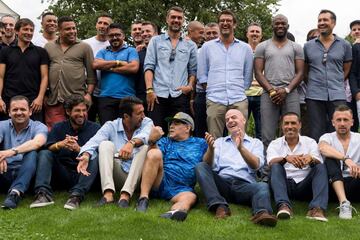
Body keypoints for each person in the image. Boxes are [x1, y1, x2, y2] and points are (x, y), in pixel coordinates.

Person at [196, 109, 277, 227]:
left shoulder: (256, 143)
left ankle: (262, 213)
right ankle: (220, 205)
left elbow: (256, 165)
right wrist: (211, 150)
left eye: (233, 117)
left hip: (244, 186)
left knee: (262, 186)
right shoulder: (220, 142)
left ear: (243, 120)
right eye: (227, 119)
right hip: (223, 184)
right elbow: (208, 165)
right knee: (201, 166)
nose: (230, 121)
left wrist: (241, 149)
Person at [78, 96, 153, 208]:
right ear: (126, 116)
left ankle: (125, 196)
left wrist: (131, 143)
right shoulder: (111, 126)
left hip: (138, 178)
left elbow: (146, 135)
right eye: (139, 113)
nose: (143, 116)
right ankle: (108, 194)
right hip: (117, 175)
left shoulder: (147, 122)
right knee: (105, 144)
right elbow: (94, 141)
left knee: (144, 147)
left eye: (143, 112)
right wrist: (86, 155)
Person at [30, 95, 100, 210]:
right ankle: (43, 194)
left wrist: (80, 149)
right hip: (62, 172)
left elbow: (99, 152)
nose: (82, 114)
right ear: (68, 111)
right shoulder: (58, 127)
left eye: (84, 110)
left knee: (94, 156)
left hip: (84, 174)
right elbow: (49, 147)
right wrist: (60, 144)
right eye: (77, 110)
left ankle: (76, 196)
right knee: (44, 153)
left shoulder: (95, 128)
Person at [135, 112, 207, 221]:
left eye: (176, 123)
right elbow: (151, 158)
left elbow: (208, 162)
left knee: (190, 197)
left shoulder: (200, 143)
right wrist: (152, 141)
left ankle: (174, 212)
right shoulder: (165, 141)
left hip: (182, 189)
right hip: (161, 182)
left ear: (188, 128)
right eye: (171, 123)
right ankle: (143, 198)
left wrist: (211, 148)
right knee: (154, 153)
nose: (171, 126)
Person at [197, 10, 253, 139]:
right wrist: (211, 91)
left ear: (235, 24)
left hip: (238, 98)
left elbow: (248, 75)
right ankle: (215, 160)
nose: (225, 23)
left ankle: (239, 160)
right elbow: (202, 74)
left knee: (240, 139)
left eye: (229, 21)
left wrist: (239, 90)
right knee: (214, 140)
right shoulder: (207, 47)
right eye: (222, 21)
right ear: (218, 24)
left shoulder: (245, 48)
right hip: (215, 98)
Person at [144, 6, 197, 133]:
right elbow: (149, 67)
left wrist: (189, 86)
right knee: (156, 133)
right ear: (167, 19)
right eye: (173, 17)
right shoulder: (155, 41)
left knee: (179, 133)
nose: (176, 20)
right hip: (157, 95)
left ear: (183, 21)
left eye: (179, 18)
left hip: (179, 95)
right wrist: (149, 90)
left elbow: (193, 70)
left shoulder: (190, 45)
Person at [254, 14, 304, 148]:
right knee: (267, 134)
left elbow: (300, 73)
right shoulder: (262, 46)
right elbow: (258, 72)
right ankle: (267, 168)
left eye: (283, 23)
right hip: (269, 93)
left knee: (293, 131)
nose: (280, 25)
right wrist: (271, 91)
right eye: (277, 23)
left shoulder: (296, 47)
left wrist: (286, 90)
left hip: (291, 93)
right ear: (272, 26)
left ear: (288, 26)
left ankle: (292, 165)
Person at [268, 112, 328, 222]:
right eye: (286, 123)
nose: (290, 127)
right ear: (282, 126)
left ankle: (317, 209)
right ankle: (284, 206)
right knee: (276, 166)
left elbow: (318, 160)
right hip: (283, 185)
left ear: (300, 125)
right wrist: (286, 158)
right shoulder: (275, 143)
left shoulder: (310, 142)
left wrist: (310, 158)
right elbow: (270, 162)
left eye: (293, 123)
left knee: (320, 167)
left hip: (304, 185)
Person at [304, 9, 352, 142]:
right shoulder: (308, 46)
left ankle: (337, 161)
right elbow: (305, 70)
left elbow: (347, 68)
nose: (322, 23)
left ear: (334, 23)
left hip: (337, 94)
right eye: (319, 20)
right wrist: (314, 83)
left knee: (338, 130)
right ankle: (317, 161)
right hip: (314, 95)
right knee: (316, 130)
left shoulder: (345, 45)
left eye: (325, 20)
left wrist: (337, 81)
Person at [44, 16, 96, 130]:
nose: (72, 31)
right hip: (54, 101)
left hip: (77, 100)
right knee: (55, 132)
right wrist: (44, 95)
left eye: (74, 28)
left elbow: (92, 75)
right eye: (68, 29)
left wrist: (88, 94)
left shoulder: (84, 47)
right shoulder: (49, 46)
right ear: (59, 30)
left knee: (78, 132)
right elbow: (44, 72)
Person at [0, 95, 47, 209]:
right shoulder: (2, 125)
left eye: (23, 109)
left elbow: (37, 142)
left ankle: (15, 194)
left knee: (32, 153)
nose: (19, 112)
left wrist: (10, 152)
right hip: (5, 172)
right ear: (9, 112)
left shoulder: (39, 126)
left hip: (28, 174)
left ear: (30, 111)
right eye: (15, 110)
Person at [0, 18, 49, 122]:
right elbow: (0, 76)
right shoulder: (5, 51)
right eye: (25, 29)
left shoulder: (41, 52)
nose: (29, 33)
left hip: (33, 102)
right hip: (8, 99)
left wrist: (40, 98)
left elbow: (45, 77)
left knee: (34, 133)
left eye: (31, 30)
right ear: (17, 31)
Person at [93, 23, 139, 125]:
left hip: (127, 98)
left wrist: (108, 68)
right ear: (107, 37)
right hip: (106, 97)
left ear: (123, 36)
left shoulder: (131, 50)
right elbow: (96, 64)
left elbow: (133, 68)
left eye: (117, 35)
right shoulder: (103, 52)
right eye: (111, 35)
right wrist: (118, 63)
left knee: (127, 130)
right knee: (107, 130)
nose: (114, 38)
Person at [319, 105, 360, 219]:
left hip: (355, 182)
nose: (342, 123)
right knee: (330, 159)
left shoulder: (358, 138)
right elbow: (323, 148)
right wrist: (346, 159)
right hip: (333, 185)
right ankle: (344, 203)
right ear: (333, 122)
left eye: (345, 120)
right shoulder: (327, 137)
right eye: (339, 120)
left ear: (352, 122)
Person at [83, 13, 113, 122]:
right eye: (100, 22)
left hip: (107, 92)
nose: (102, 25)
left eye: (106, 24)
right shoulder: (85, 43)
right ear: (96, 25)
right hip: (87, 91)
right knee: (87, 123)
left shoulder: (117, 43)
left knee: (107, 123)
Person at [192, 22, 219, 138]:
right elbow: (192, 75)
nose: (211, 35)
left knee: (219, 130)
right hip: (201, 95)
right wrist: (191, 99)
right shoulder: (198, 52)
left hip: (220, 95)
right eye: (208, 33)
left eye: (214, 33)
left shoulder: (225, 52)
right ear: (204, 35)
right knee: (200, 130)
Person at [135, 21, 158, 113]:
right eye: (142, 32)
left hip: (158, 96)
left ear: (156, 33)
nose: (144, 34)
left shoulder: (163, 52)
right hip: (140, 98)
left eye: (148, 31)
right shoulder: (137, 53)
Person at [245, 22, 263, 140]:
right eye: (252, 31)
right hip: (243, 95)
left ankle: (261, 156)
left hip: (261, 95)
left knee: (261, 130)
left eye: (257, 32)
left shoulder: (265, 50)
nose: (254, 34)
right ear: (247, 34)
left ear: (261, 36)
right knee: (240, 129)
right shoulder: (241, 49)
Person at [349, 20, 360, 125]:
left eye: (359, 29)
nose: (357, 31)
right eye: (354, 30)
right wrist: (356, 92)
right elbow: (352, 72)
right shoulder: (352, 48)